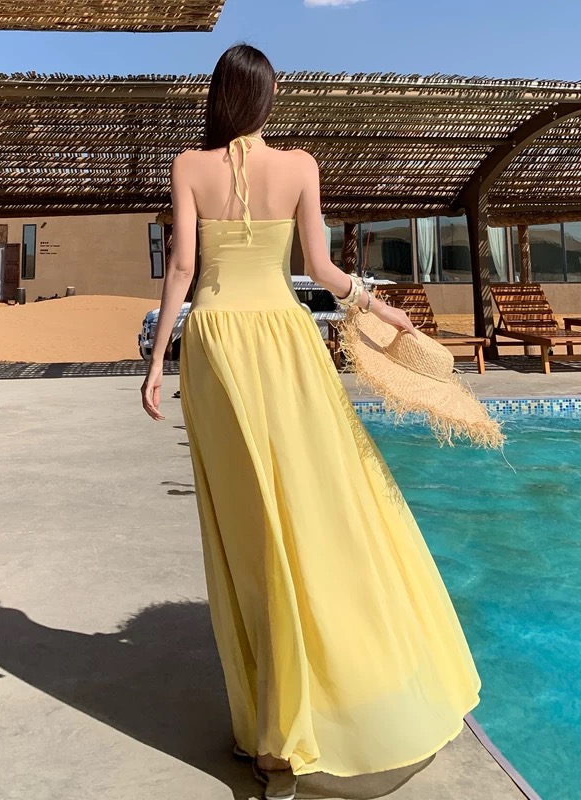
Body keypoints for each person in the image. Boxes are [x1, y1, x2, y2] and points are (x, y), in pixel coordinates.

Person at [141, 44, 481, 800]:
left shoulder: (187, 166)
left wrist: (158, 358)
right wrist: (384, 310)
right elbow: (323, 273)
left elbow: (182, 271)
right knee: (318, 508)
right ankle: (316, 717)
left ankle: (272, 736)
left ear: (218, 97)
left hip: (217, 347)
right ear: (265, 99)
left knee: (246, 531)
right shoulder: (299, 166)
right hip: (288, 346)